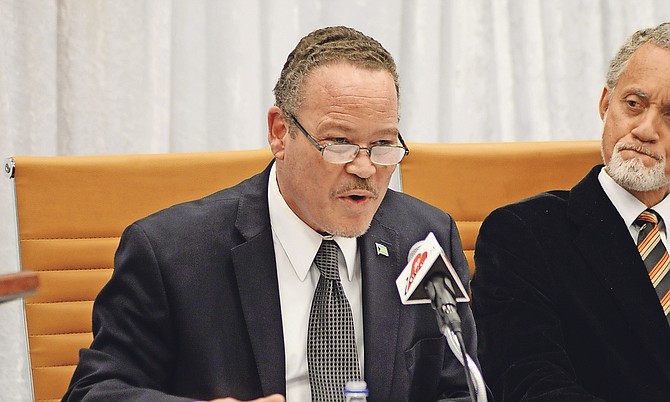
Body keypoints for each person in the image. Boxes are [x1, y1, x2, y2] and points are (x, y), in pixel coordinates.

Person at [62, 26, 482, 402]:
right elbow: (94, 391)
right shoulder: (171, 253)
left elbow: (460, 387)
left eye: (384, 144)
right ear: (280, 133)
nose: (365, 168)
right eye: (339, 142)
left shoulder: (423, 237)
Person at [471, 22, 670, 402]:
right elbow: (531, 383)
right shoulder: (522, 234)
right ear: (605, 104)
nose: (646, 130)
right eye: (634, 104)